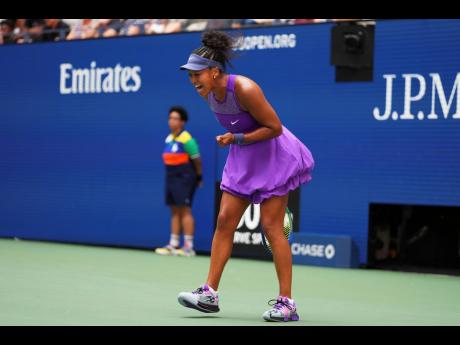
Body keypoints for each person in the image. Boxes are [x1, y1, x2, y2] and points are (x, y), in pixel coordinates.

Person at [177, 30, 314, 322]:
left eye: (197, 75)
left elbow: (274, 127)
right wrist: (236, 141)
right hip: (243, 156)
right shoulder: (209, 94)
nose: (193, 81)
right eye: (189, 76)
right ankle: (209, 294)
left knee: (271, 228)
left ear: (214, 72)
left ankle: (287, 304)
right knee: (225, 221)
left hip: (273, 156)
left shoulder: (245, 88)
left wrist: (236, 139)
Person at [155, 106, 203, 257]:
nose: (171, 121)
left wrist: (198, 176)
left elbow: (197, 160)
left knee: (185, 210)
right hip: (171, 178)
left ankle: (188, 247)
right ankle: (173, 244)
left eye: (175, 118)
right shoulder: (169, 138)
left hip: (185, 179)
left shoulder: (187, 139)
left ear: (182, 122)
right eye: (170, 118)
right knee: (174, 210)